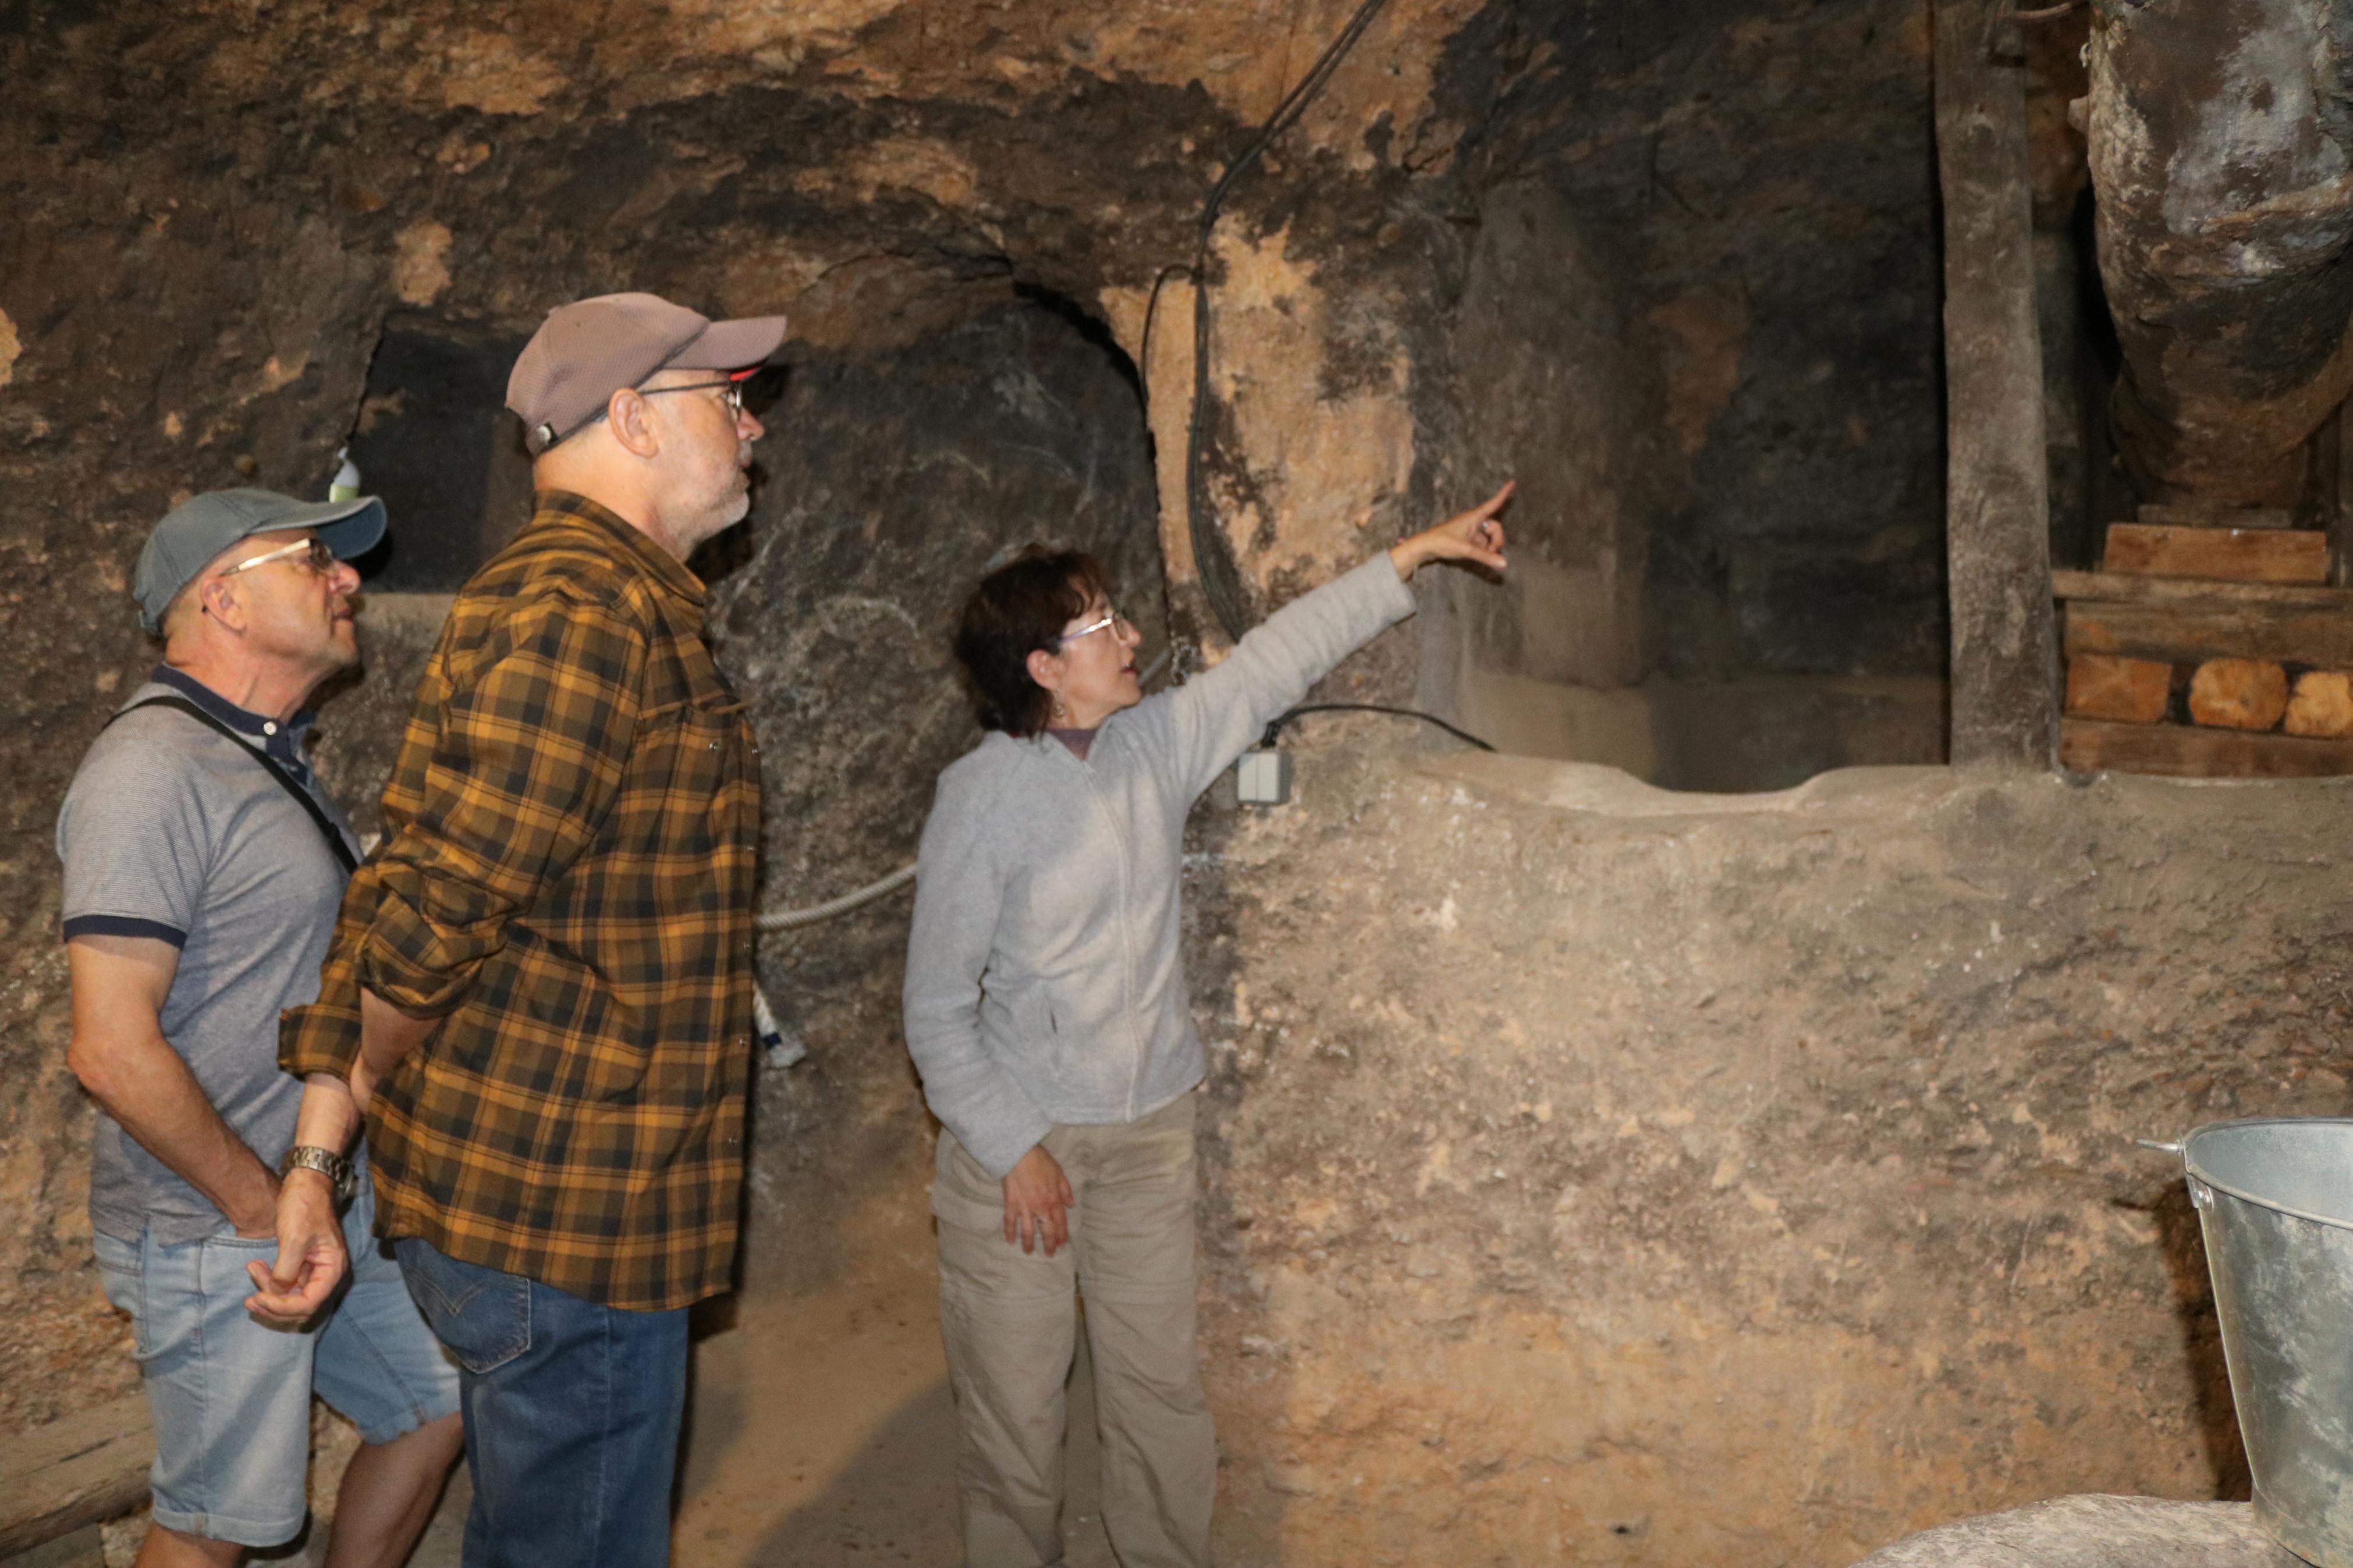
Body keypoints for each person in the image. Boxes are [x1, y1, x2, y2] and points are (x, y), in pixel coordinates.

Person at [254, 292, 785, 1568]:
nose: (752, 424)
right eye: (725, 396)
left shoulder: (594, 601)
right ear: (630, 419)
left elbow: (401, 875)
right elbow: (435, 916)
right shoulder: (584, 609)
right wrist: (357, 1091)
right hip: (567, 1218)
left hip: (553, 1211)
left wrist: (319, 1157)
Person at [903, 482, 1514, 1568]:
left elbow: (1280, 656)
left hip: (1146, 1136)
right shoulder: (982, 799)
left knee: (1158, 1396)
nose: (1131, 635)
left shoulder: (1156, 746)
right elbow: (937, 1010)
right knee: (1017, 1415)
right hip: (1022, 1155)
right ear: (1043, 670)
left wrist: (1411, 558)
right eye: (1102, 626)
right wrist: (1011, 1148)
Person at [58, 488, 464, 1568]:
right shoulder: (148, 774)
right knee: (214, 1522)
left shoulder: (262, 755)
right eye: (313, 559)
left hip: (312, 1195)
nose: (349, 581)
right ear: (223, 600)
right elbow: (107, 1044)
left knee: (432, 1405)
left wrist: (316, 1191)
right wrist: (258, 1205)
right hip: (219, 1224)